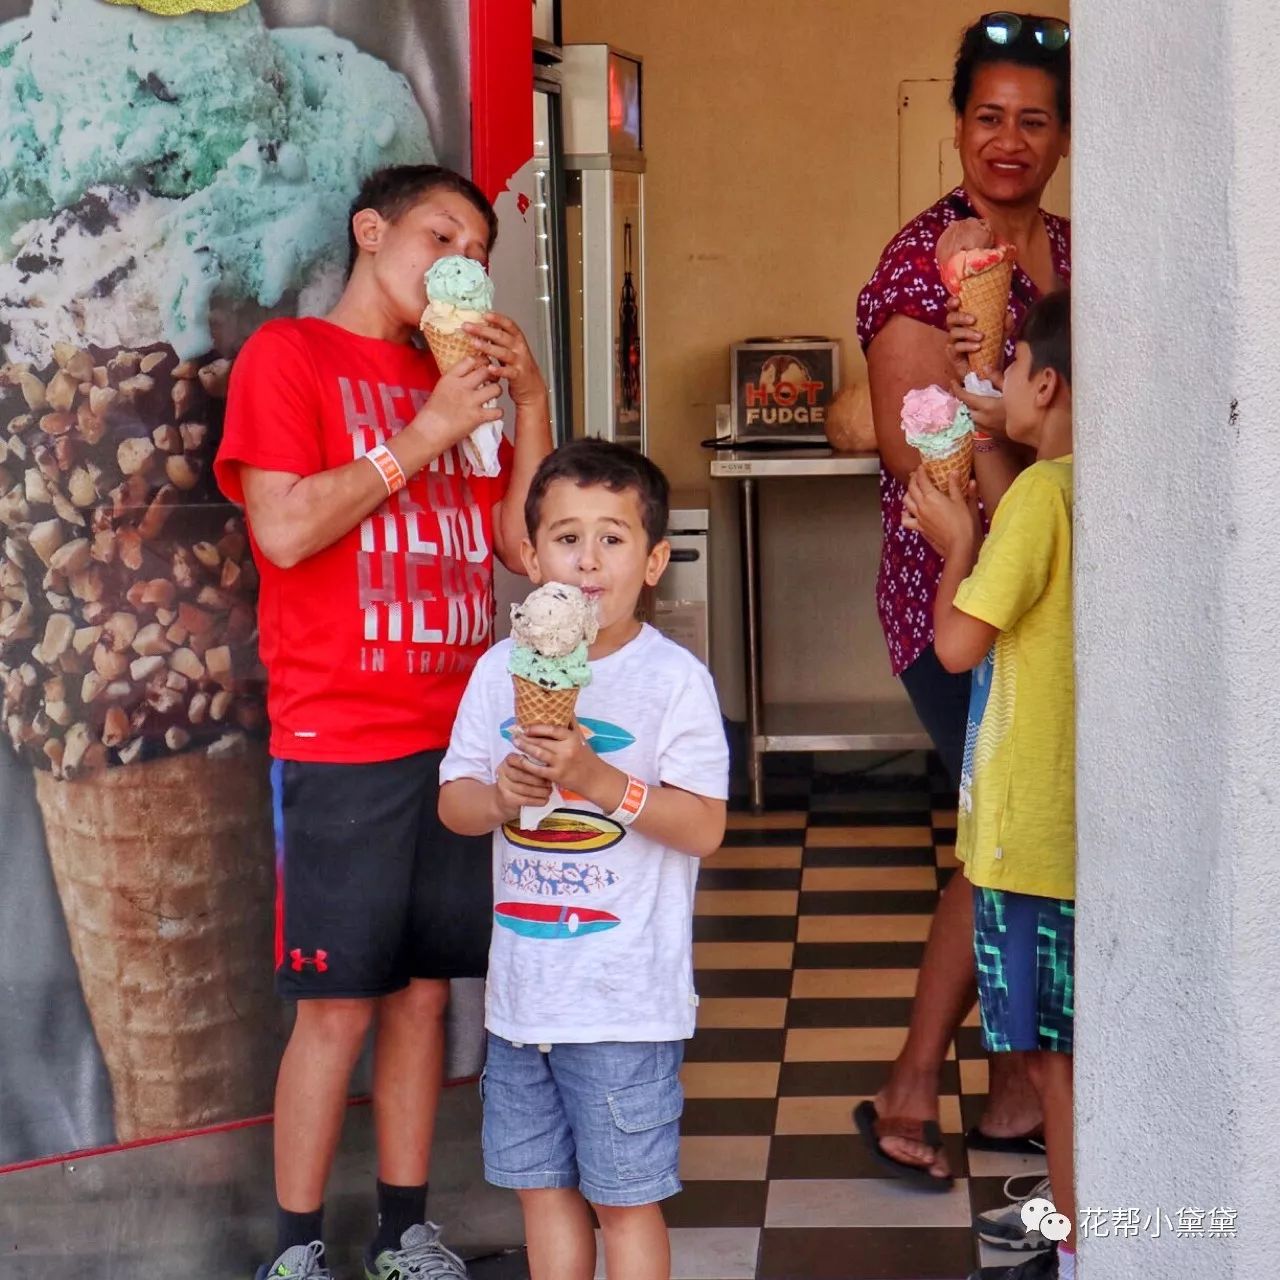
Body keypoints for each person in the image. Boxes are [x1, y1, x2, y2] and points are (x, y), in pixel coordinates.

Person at [214, 164, 554, 1280]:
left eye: (479, 250)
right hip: (341, 736)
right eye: (440, 235)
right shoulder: (290, 357)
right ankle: (296, 1249)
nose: (461, 260)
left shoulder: (448, 377)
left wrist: (528, 402)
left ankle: (404, 1232)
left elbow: (524, 546)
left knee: (421, 998)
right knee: (339, 1007)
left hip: (456, 738)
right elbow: (283, 529)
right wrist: (424, 430)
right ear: (370, 231)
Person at [853, 11, 1071, 1187]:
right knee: (1001, 835)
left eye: (1032, 119)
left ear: (1063, 137)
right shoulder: (918, 263)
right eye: (987, 115)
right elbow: (911, 452)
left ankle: (1008, 1090)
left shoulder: (1081, 253)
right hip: (958, 595)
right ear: (954, 126)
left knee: (1010, 833)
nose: (1007, 139)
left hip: (1060, 595)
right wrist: (987, 394)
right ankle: (931, 1077)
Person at [438, 438, 729, 1280]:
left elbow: (703, 827)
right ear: (531, 559)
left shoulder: (673, 681)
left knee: (624, 1202)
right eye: (567, 538)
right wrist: (501, 796)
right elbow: (455, 804)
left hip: (624, 1006)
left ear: (654, 562)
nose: (589, 560)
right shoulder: (498, 672)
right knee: (542, 1196)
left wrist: (599, 781)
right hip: (523, 1004)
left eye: (613, 538)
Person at [904, 289, 1076, 1280]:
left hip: (1027, 841)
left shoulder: (1042, 497)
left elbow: (958, 643)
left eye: (1012, 367)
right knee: (1075, 1057)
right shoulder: (1084, 485)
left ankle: (1077, 1244)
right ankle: (1078, 1219)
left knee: (1055, 1065)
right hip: (1073, 828)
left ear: (1043, 386)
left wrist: (957, 543)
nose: (1001, 380)